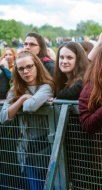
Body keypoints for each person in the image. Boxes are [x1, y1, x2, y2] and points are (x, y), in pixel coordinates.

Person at [0, 51, 54, 189]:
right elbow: (3, 117)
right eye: (21, 68)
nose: (26, 71)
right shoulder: (15, 90)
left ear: (37, 66)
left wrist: (17, 104)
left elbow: (30, 107)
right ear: (17, 71)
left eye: (29, 66)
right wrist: (23, 98)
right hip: (26, 150)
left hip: (46, 148)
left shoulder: (46, 86)